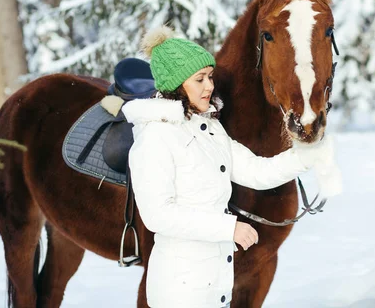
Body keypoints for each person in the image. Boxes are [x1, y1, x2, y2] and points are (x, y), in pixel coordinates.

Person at [122, 26, 342, 308]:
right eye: (199, 79)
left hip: (214, 288)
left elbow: (256, 171)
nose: (210, 86)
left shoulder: (209, 130)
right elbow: (158, 215)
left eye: (210, 77)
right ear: (177, 85)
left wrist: (307, 155)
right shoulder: (155, 137)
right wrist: (229, 228)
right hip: (179, 292)